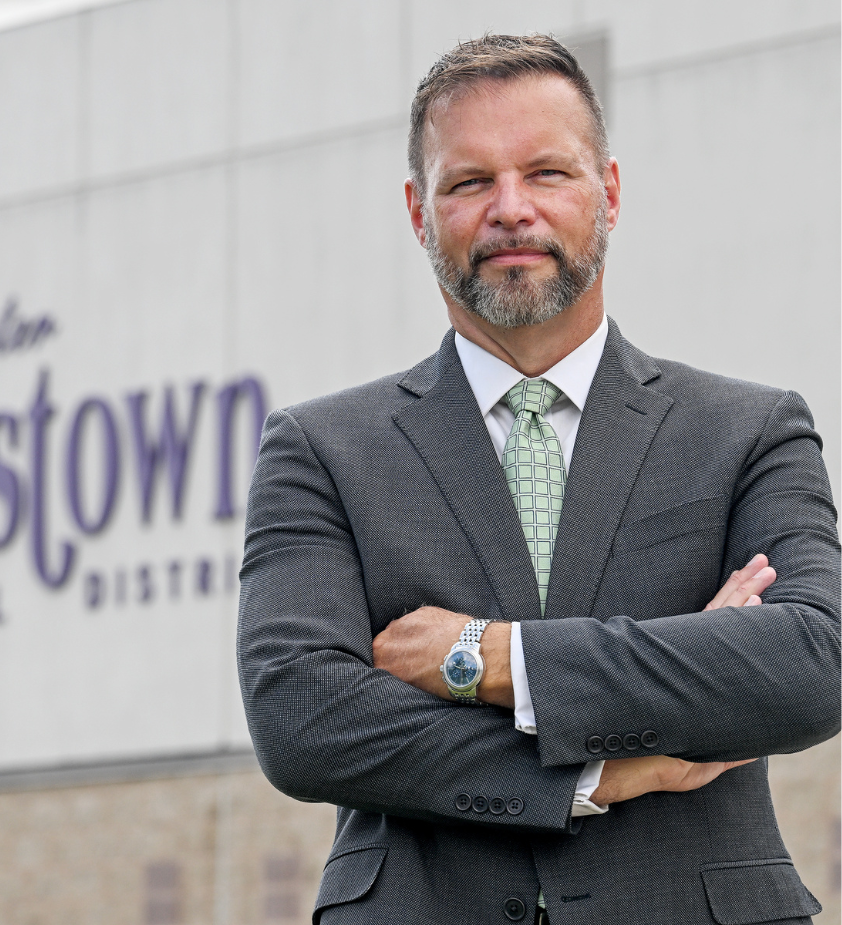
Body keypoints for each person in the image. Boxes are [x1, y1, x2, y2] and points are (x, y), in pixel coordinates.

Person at [236, 34, 839, 925]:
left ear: (611, 192)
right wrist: (599, 773)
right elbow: (304, 717)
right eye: (470, 182)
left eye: (547, 173)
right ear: (417, 210)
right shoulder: (319, 449)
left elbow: (809, 664)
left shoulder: (749, 430)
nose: (510, 210)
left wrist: (487, 656)